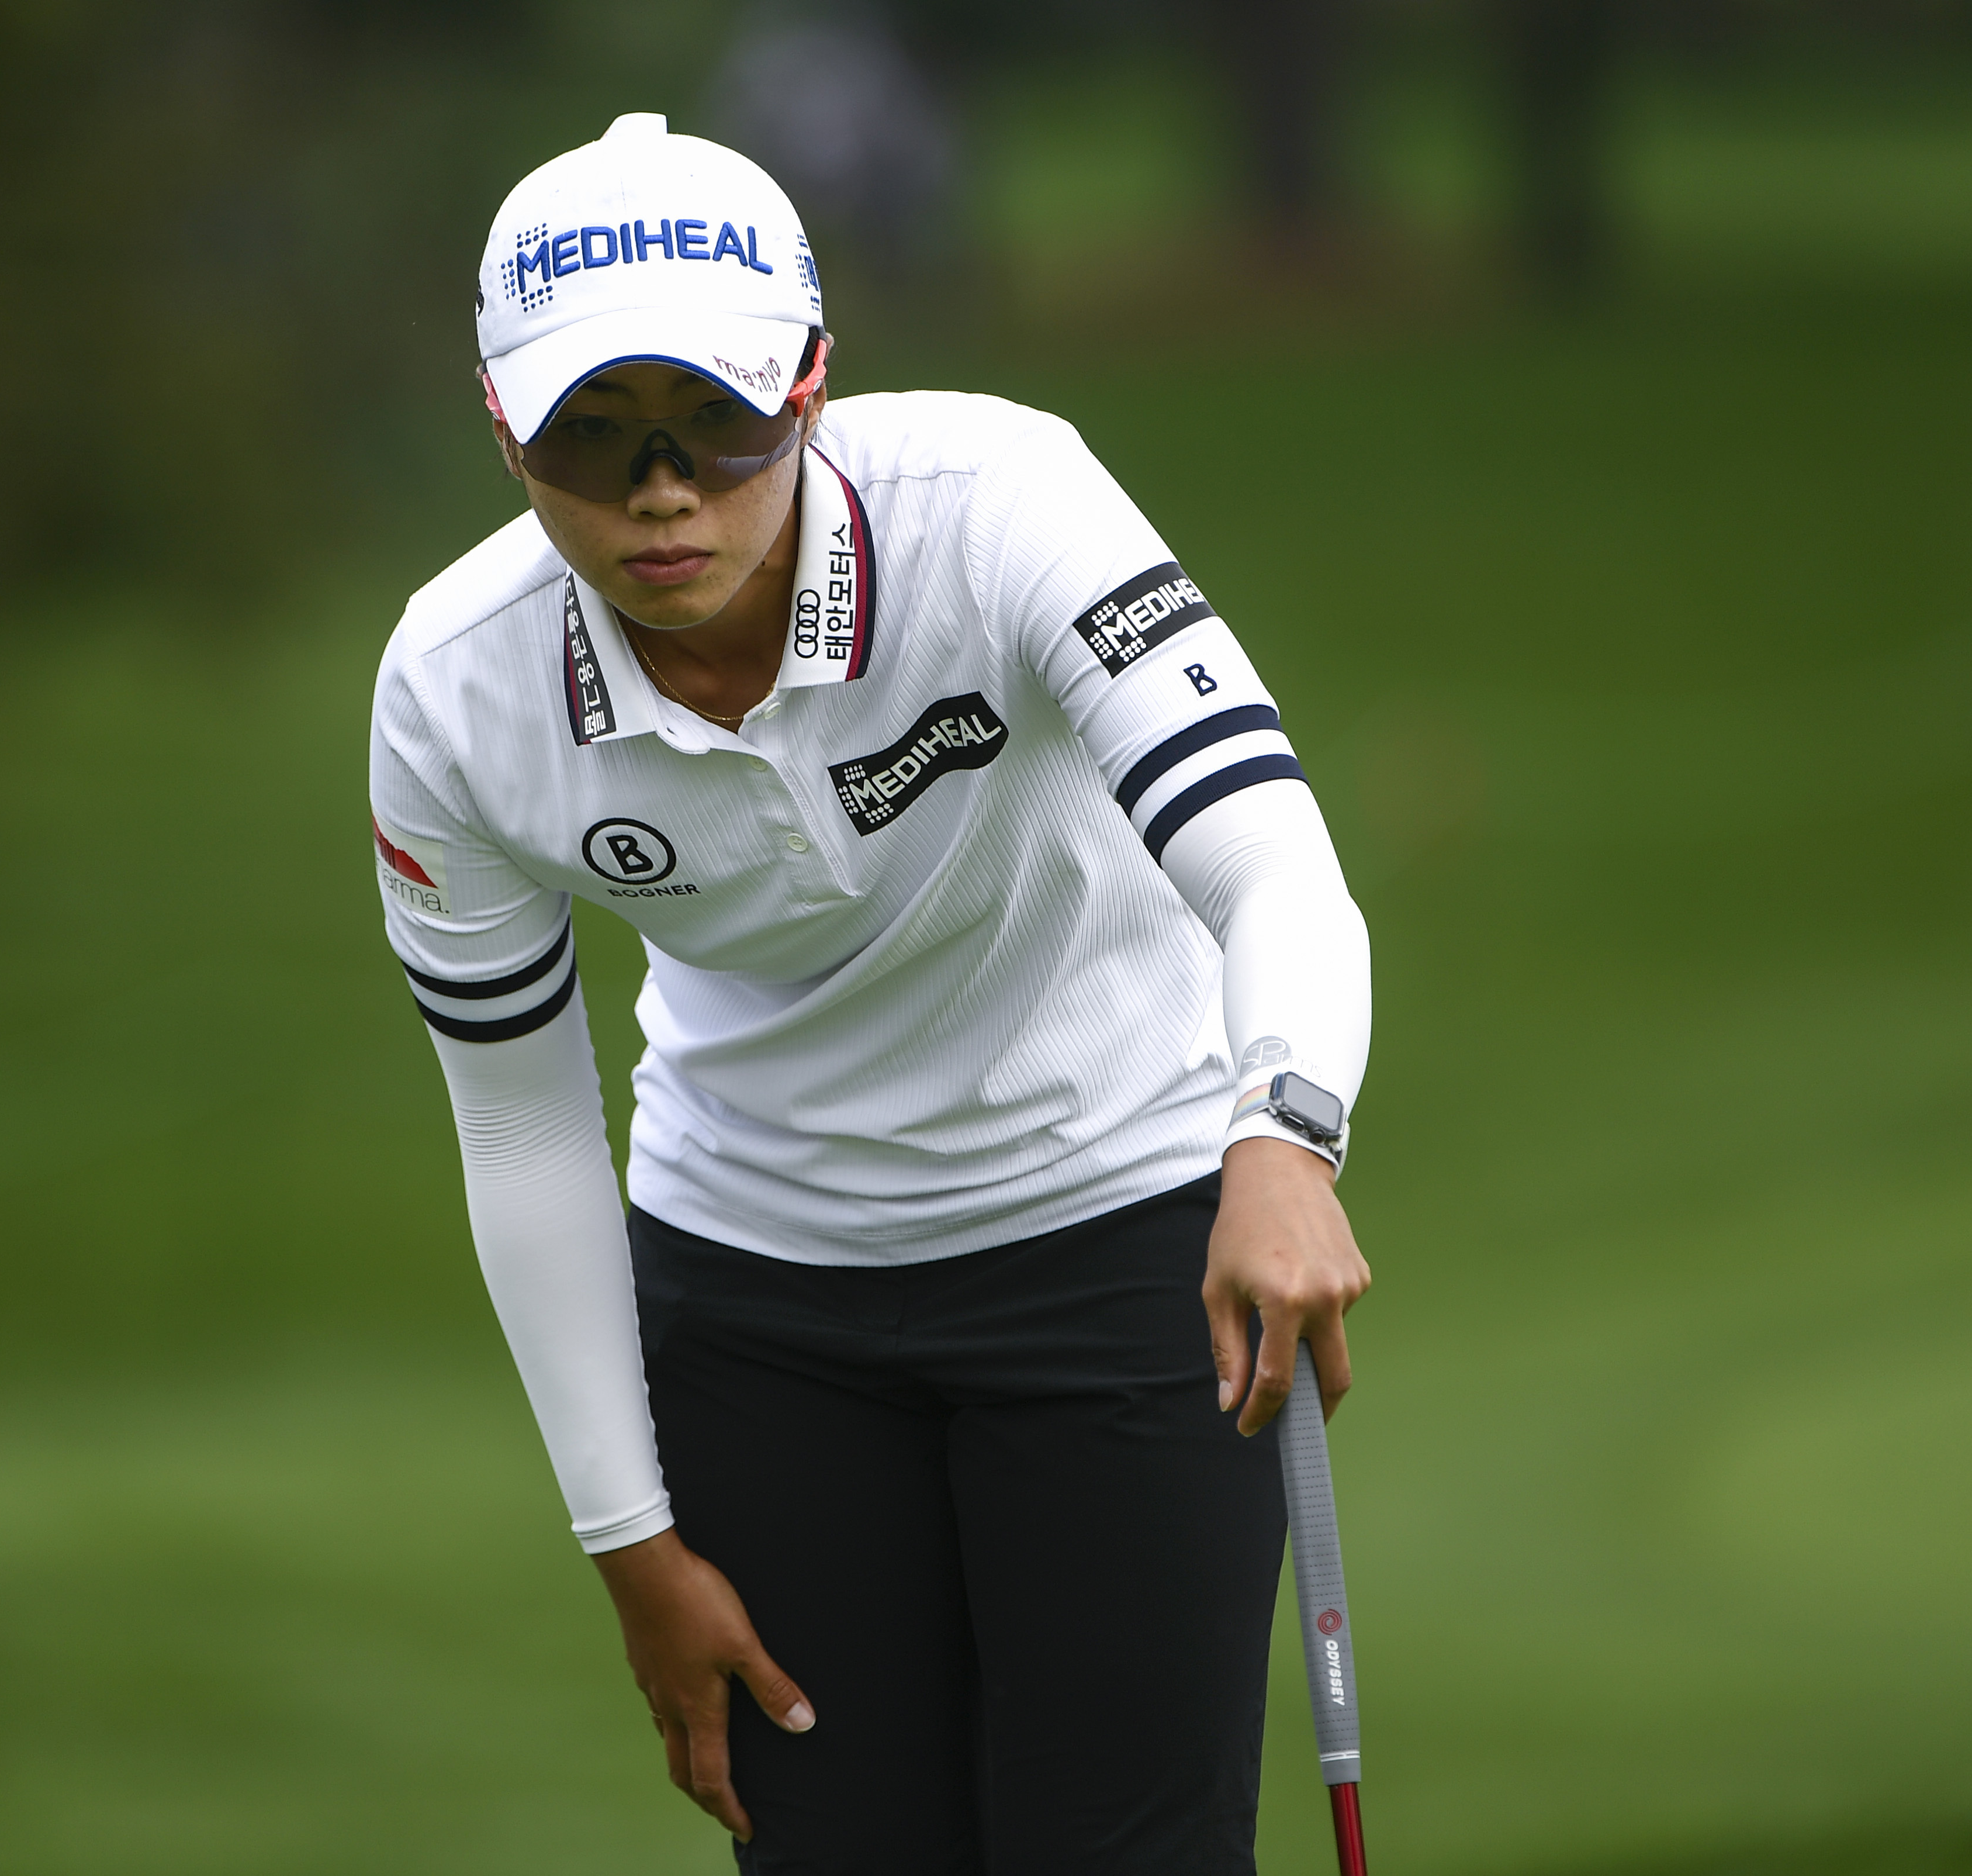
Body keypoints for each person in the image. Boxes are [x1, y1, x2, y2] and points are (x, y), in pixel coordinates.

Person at [370, 114, 1372, 1872]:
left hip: (1118, 1225)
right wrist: (630, 1545)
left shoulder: (1002, 501)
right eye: (592, 433)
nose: (661, 492)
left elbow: (1267, 857)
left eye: (716, 422)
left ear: (814, 382)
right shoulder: (455, 695)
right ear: (502, 427)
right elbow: (521, 1129)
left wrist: (1282, 1135)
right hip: (760, 1297)